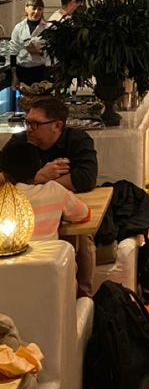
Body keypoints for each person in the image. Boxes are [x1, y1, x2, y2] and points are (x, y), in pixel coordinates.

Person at [3, 96, 98, 296]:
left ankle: (83, 299)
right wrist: (39, 177)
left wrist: (31, 180)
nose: (29, 128)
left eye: (36, 124)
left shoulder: (77, 140)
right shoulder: (19, 143)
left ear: (57, 126)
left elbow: (85, 179)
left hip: (65, 213)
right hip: (21, 219)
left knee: (82, 235)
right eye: (27, 122)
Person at [0, 142, 90, 240]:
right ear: (39, 165)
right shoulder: (54, 190)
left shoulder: (3, 199)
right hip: (51, 254)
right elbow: (84, 214)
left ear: (4, 174)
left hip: (14, 254)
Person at [10, 0, 49, 86]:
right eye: (34, 8)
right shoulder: (19, 28)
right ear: (26, 8)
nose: (36, 12)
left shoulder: (47, 28)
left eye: (39, 9)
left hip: (40, 71)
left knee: (40, 99)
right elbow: (13, 52)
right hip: (22, 71)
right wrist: (14, 76)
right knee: (23, 99)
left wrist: (39, 52)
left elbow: (51, 54)